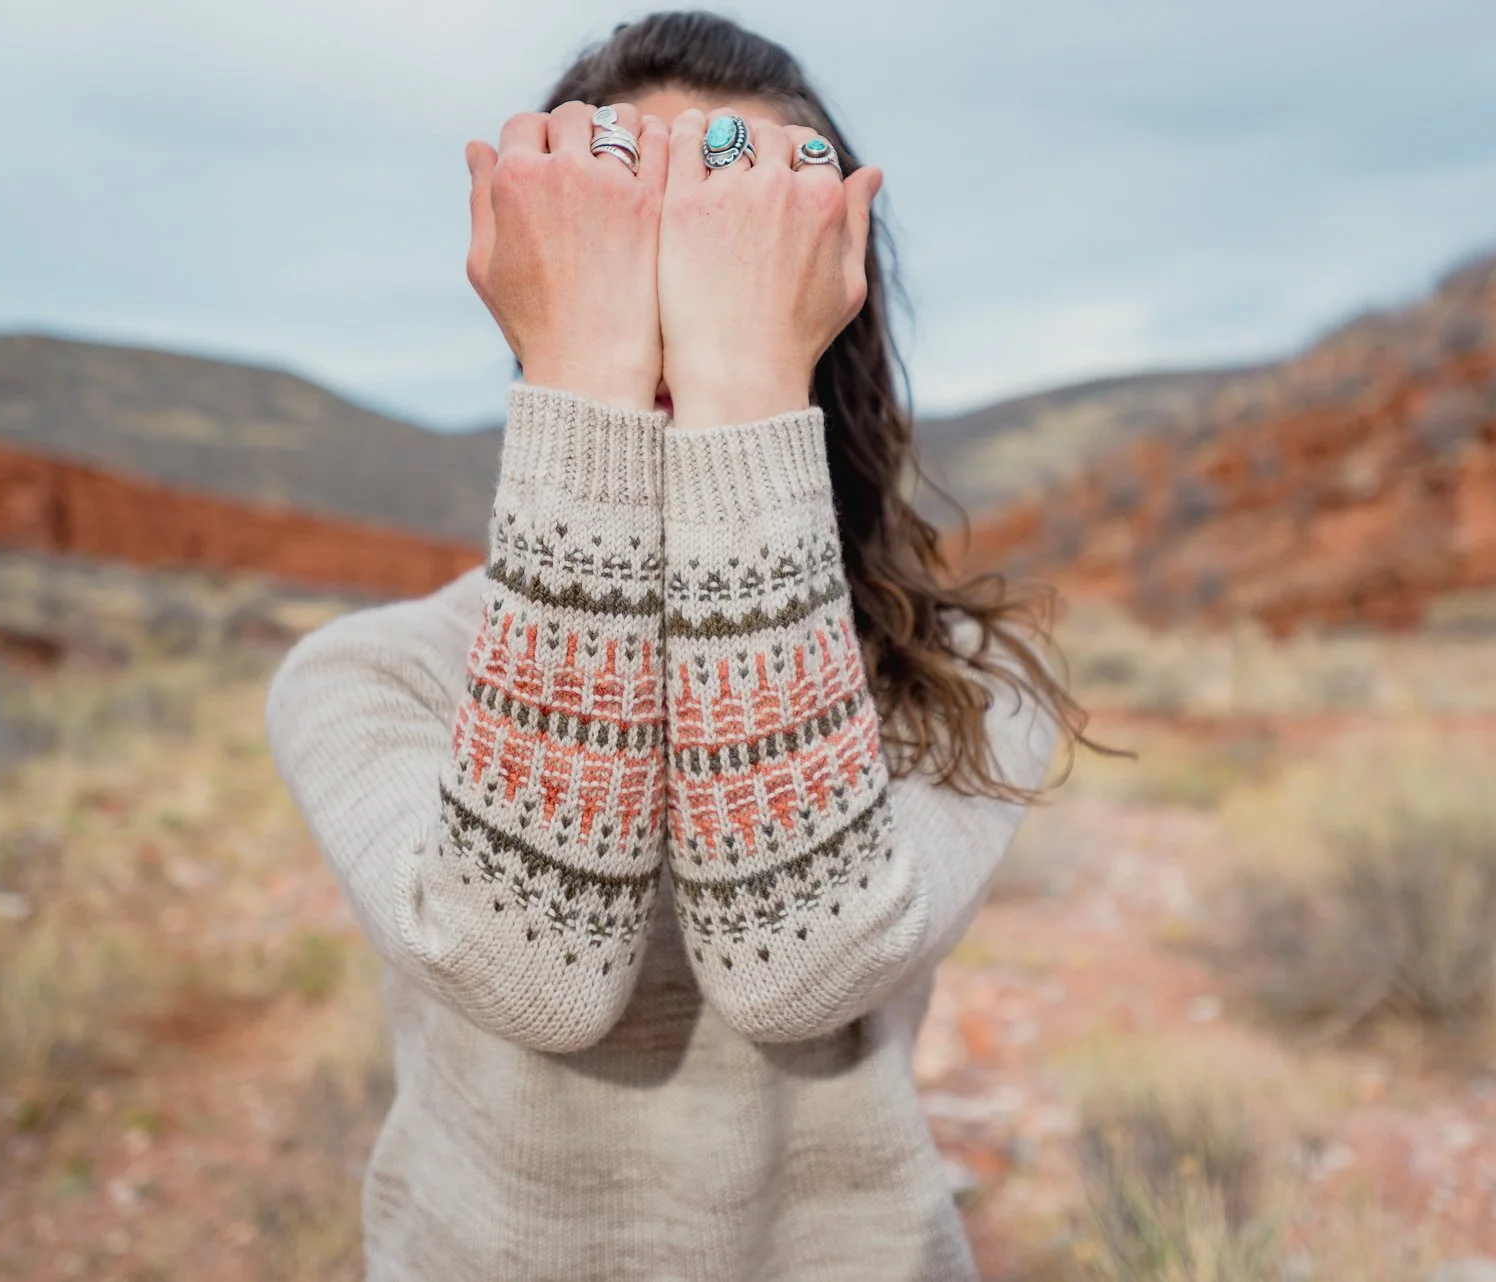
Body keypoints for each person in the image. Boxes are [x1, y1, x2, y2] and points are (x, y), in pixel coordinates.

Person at [266, 11, 1095, 1280]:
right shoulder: (377, 674)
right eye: (628, 238)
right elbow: (526, 968)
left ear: (827, 293)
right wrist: (589, 361)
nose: (677, 285)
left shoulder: (960, 678)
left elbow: (798, 966)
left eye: (734, 240)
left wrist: (738, 381)